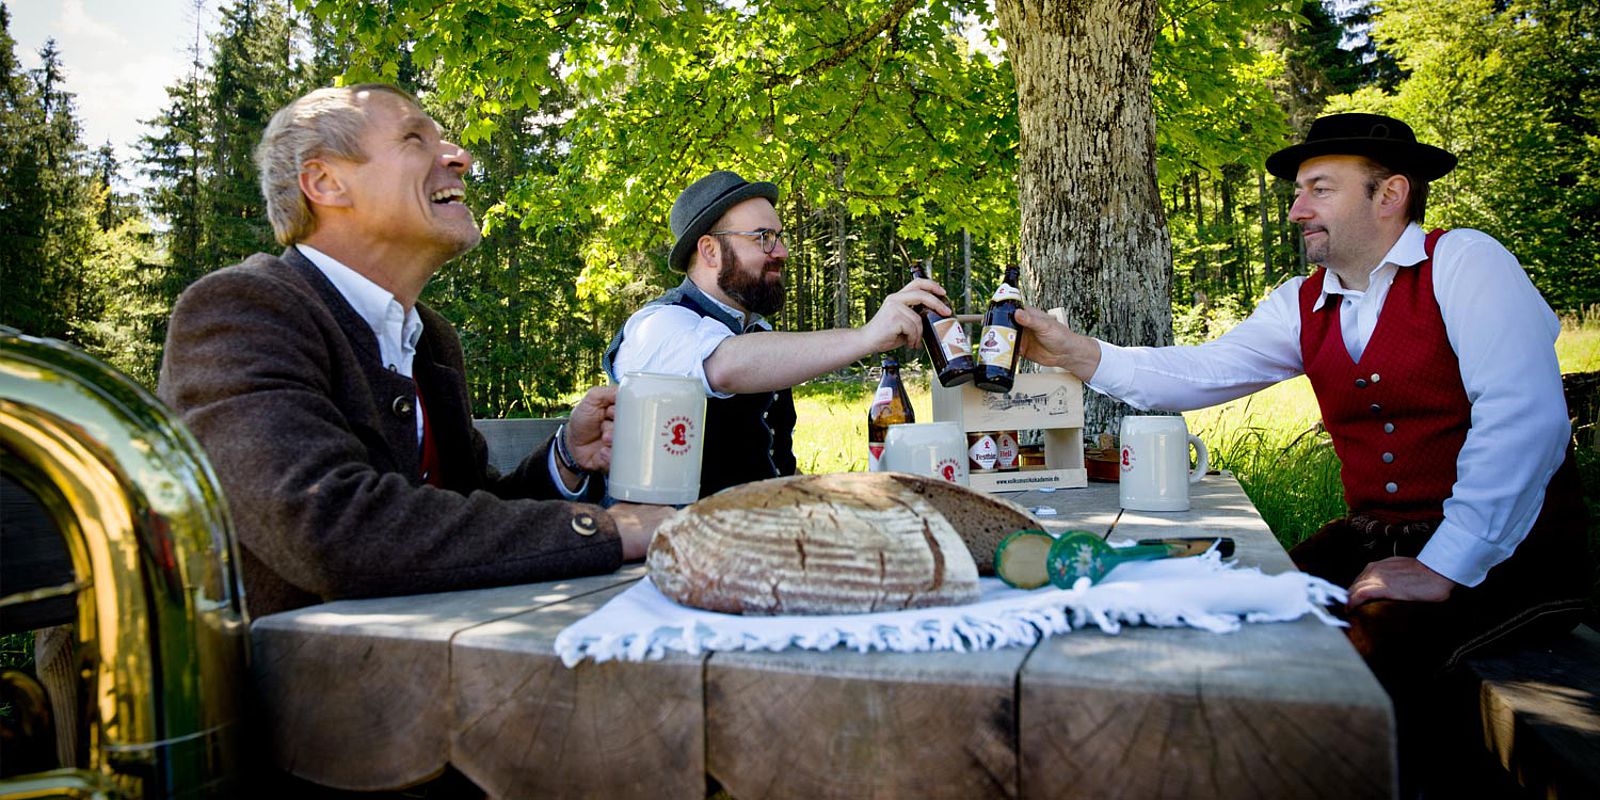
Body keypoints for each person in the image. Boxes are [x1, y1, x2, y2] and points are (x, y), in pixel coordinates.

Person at [1013, 113, 1590, 791]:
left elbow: (1524, 419)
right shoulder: (1304, 301)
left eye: (1320, 189)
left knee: (1337, 666)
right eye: (1298, 192)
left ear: (1390, 193)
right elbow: (1204, 370)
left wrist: (1445, 563)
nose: (1296, 210)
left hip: (1506, 559)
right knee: (1234, 611)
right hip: (1376, 542)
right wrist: (1077, 353)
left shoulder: (1465, 263)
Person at [158, 84, 672, 618]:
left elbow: (465, 515)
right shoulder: (243, 309)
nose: (459, 157)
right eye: (414, 139)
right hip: (285, 668)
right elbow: (331, 528)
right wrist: (610, 529)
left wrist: (564, 457)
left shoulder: (430, 339)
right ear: (325, 182)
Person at [602, 170, 954, 497]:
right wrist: (866, 336)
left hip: (766, 526)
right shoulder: (656, 326)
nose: (782, 253)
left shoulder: (757, 332)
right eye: (764, 238)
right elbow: (724, 365)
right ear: (710, 250)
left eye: (778, 237)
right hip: (676, 538)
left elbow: (770, 461)